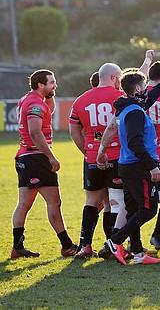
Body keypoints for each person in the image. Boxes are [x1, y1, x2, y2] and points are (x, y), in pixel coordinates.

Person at [105, 69, 160, 265]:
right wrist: (152, 166)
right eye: (144, 86)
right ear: (136, 90)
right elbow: (135, 142)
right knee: (149, 209)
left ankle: (137, 253)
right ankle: (115, 241)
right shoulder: (134, 111)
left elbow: (152, 95)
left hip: (128, 165)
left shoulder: (128, 106)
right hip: (138, 167)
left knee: (133, 210)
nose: (146, 90)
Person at [12, 69, 78, 259]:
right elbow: (35, 132)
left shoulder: (28, 99)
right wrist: (50, 157)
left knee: (24, 204)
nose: (55, 85)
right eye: (52, 82)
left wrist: (50, 94)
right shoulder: (35, 103)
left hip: (25, 157)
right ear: (40, 84)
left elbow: (49, 111)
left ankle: (17, 247)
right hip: (36, 158)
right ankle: (67, 246)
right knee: (54, 202)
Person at [69, 63, 124, 259]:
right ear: (114, 78)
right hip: (117, 156)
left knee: (91, 201)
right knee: (114, 203)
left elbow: (74, 131)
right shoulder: (121, 97)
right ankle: (112, 245)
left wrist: (87, 150)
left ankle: (85, 245)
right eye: (119, 79)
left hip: (92, 156)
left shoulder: (80, 100)